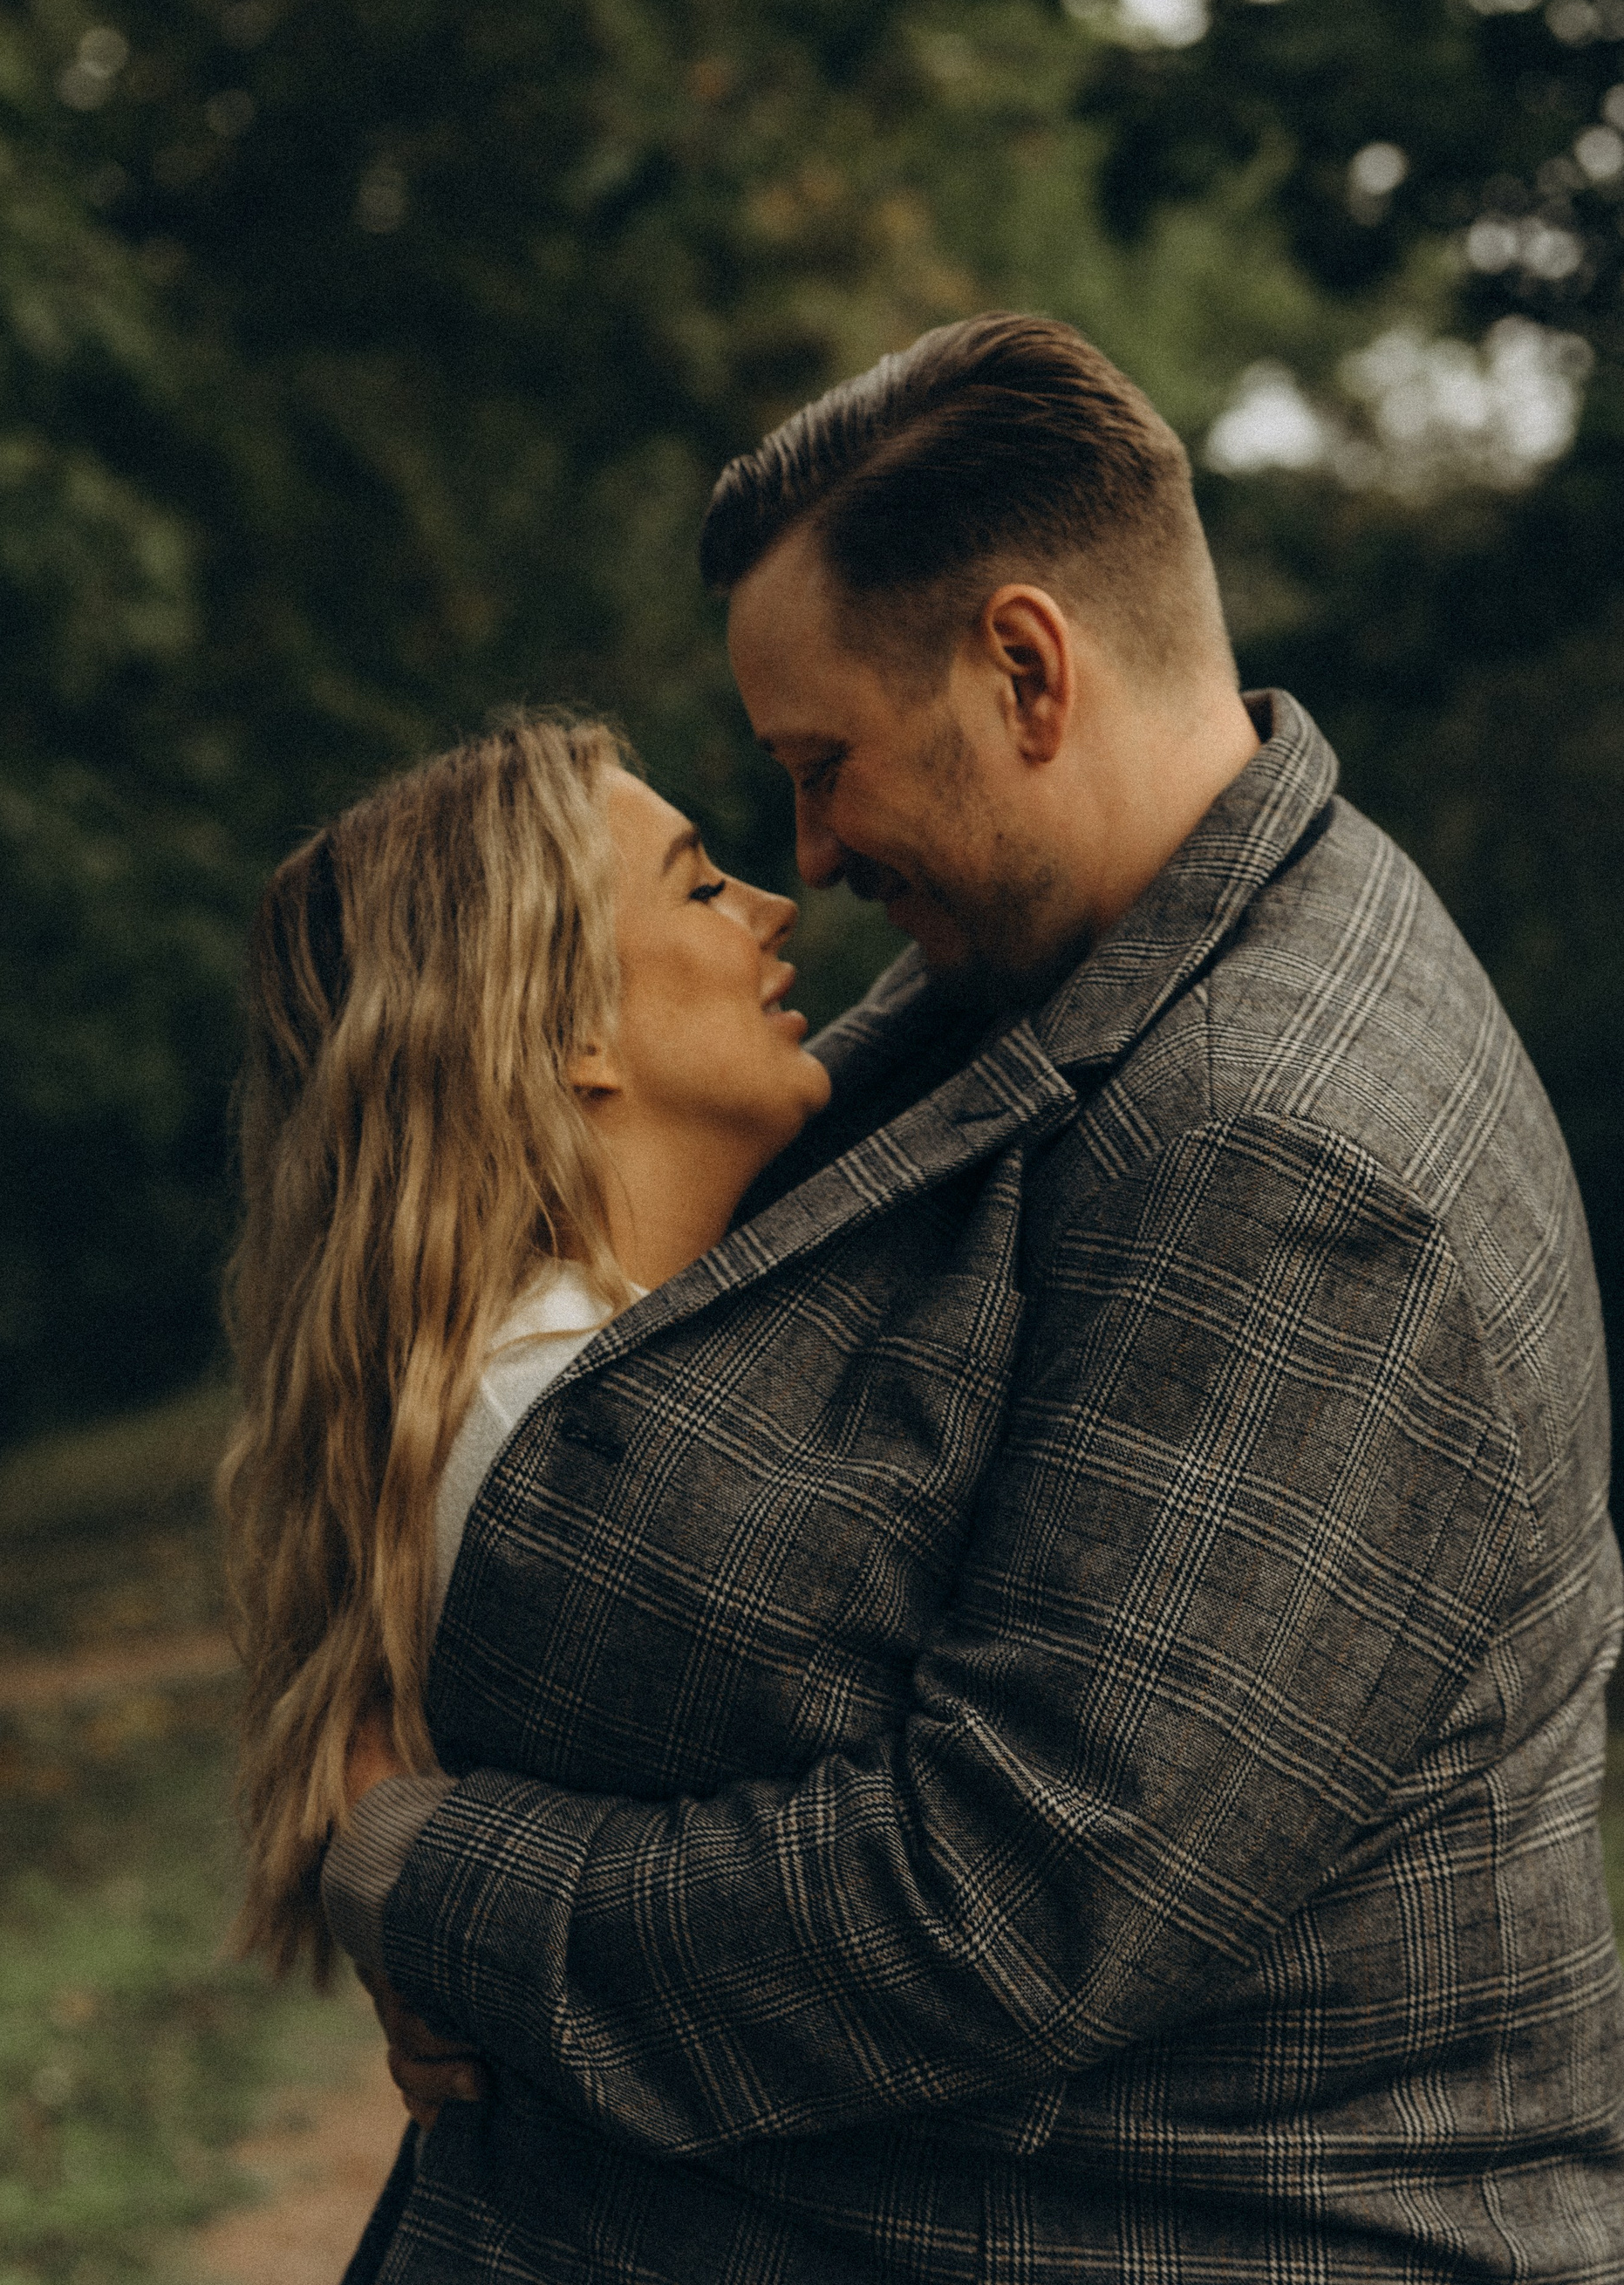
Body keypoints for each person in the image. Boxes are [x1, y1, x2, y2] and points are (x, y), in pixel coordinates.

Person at [322, 315, 1623, 2282]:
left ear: (1027, 669)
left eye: (820, 768)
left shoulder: (1289, 1148)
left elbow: (1003, 1908)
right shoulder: (1080, 963)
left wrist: (428, 1873)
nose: (808, 856)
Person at [218, 716, 831, 1981]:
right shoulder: (574, 1435)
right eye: (702, 887)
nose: (773, 909)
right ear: (572, 1032)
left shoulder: (557, 1374)